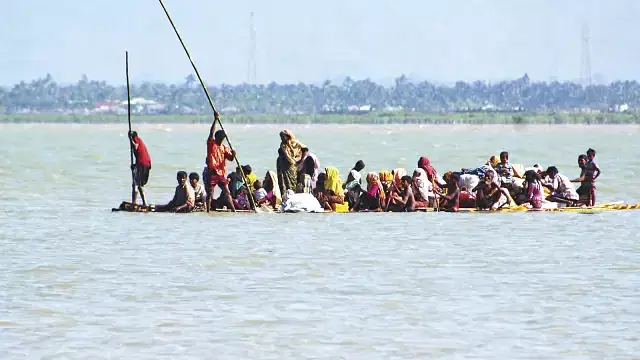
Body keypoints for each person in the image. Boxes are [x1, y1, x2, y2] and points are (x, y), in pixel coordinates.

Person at [204, 114, 236, 212]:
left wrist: (234, 154)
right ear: (216, 137)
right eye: (219, 138)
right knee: (210, 193)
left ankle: (233, 210)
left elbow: (230, 159)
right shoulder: (211, 144)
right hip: (212, 173)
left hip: (221, 174)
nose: (220, 140)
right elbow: (211, 132)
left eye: (222, 139)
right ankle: (208, 211)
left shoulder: (224, 147)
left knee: (227, 192)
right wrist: (215, 120)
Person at [128, 131, 151, 207]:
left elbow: (135, 147)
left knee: (136, 184)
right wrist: (135, 165)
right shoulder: (140, 141)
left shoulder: (136, 139)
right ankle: (144, 203)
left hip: (142, 164)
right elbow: (140, 154)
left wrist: (131, 139)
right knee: (139, 184)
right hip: (145, 164)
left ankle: (134, 203)